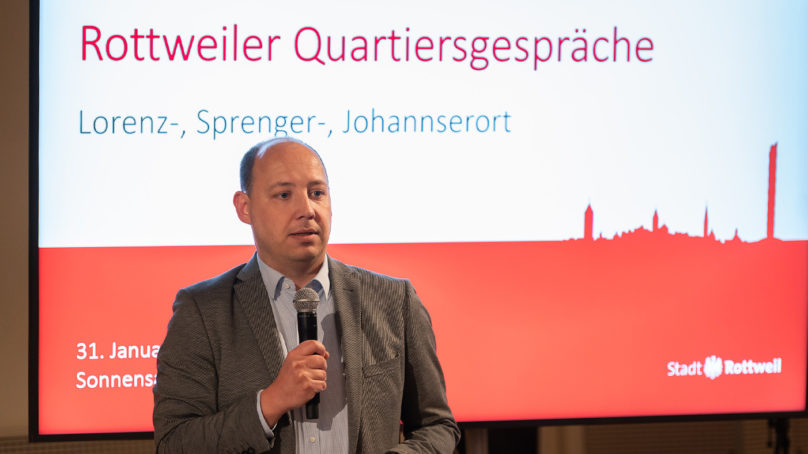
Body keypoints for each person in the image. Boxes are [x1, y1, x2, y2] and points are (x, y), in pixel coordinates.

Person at [153, 137, 460, 454]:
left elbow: (437, 426)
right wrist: (269, 403)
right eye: (284, 195)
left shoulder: (394, 300)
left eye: (317, 193)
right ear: (244, 207)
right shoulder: (202, 310)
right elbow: (174, 443)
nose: (307, 210)